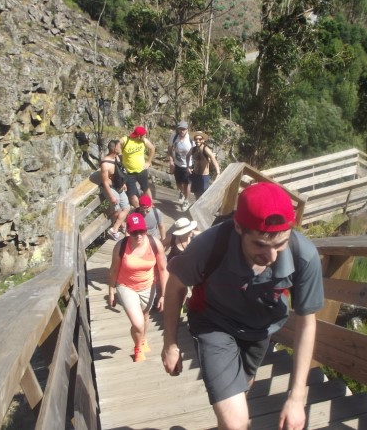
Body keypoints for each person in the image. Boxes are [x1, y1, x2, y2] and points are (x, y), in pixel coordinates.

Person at [162, 182, 324, 430]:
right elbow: (175, 287)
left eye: (280, 244)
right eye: (260, 244)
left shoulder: (305, 256)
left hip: (260, 330)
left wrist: (297, 396)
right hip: (214, 323)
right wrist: (170, 343)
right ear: (238, 227)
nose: (271, 257)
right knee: (236, 422)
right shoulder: (209, 245)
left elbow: (306, 321)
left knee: (241, 394)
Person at [109, 212, 168, 362]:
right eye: (134, 232)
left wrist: (163, 295)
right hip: (126, 286)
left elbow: (163, 269)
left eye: (141, 231)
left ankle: (142, 339)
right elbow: (114, 270)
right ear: (128, 231)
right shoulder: (121, 246)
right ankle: (138, 347)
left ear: (146, 230)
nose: (138, 235)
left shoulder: (155, 244)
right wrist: (111, 291)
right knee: (138, 323)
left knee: (146, 316)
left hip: (148, 285)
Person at [100, 139, 130, 241]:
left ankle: (115, 228)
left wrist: (124, 183)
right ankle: (117, 228)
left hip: (119, 186)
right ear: (114, 149)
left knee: (126, 207)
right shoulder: (105, 164)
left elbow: (119, 171)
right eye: (119, 146)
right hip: (111, 187)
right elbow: (105, 182)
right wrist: (112, 196)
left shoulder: (117, 158)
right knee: (117, 210)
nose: (121, 148)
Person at [121, 126, 156, 209]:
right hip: (129, 172)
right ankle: (139, 210)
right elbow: (116, 146)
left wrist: (148, 162)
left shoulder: (144, 141)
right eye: (144, 135)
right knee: (132, 194)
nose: (145, 137)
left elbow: (152, 148)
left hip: (142, 170)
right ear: (139, 136)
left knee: (146, 188)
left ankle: (150, 206)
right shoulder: (126, 140)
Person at [168, 121, 194, 212]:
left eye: (184, 129)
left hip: (188, 165)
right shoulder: (174, 137)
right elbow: (170, 150)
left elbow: (196, 151)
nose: (182, 131)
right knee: (179, 183)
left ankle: (186, 201)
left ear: (187, 129)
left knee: (187, 184)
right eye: (180, 129)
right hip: (177, 164)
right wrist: (171, 161)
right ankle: (182, 193)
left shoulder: (191, 139)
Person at [186, 131, 220, 200]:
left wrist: (218, 172)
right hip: (196, 174)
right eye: (196, 139)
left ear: (203, 140)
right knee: (196, 193)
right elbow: (187, 156)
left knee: (203, 194)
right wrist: (188, 167)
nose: (197, 140)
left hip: (204, 176)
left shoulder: (205, 149)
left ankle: (200, 208)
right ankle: (196, 206)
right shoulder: (193, 149)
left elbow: (213, 158)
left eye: (199, 139)